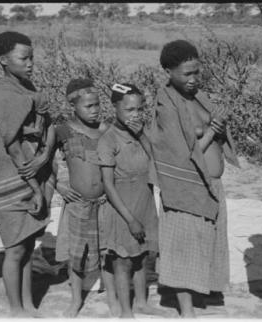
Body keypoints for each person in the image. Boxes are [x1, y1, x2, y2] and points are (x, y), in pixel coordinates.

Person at [145, 40, 240, 317]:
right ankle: (186, 310)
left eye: (197, 72)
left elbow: (211, 138)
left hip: (211, 184)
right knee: (184, 246)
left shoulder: (200, 98)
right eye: (187, 73)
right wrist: (212, 130)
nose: (193, 79)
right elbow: (178, 153)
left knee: (205, 242)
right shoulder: (167, 104)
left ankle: (198, 297)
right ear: (168, 71)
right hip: (186, 186)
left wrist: (218, 129)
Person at [0, 31, 56, 317]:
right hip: (11, 178)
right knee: (14, 249)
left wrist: (44, 157)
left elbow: (47, 124)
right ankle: (15, 309)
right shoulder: (1, 93)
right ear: (4, 60)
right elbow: (12, 145)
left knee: (27, 245)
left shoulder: (27, 88)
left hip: (31, 173)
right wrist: (36, 185)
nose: (30, 63)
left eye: (31, 58)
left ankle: (28, 304)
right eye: (23, 58)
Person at [53, 78, 117, 317]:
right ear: (73, 107)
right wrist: (58, 185)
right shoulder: (63, 131)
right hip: (78, 204)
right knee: (76, 254)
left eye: (97, 104)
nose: (95, 110)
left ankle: (112, 298)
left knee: (107, 252)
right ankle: (75, 300)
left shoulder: (107, 130)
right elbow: (45, 161)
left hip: (104, 203)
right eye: (88, 106)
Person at [97, 83, 162, 318]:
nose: (135, 115)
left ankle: (142, 303)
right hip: (123, 207)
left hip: (144, 200)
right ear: (115, 107)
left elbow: (156, 158)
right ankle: (126, 311)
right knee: (123, 260)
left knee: (143, 256)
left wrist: (141, 134)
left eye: (139, 109)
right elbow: (108, 184)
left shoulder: (143, 133)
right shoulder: (108, 140)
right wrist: (130, 219)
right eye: (129, 110)